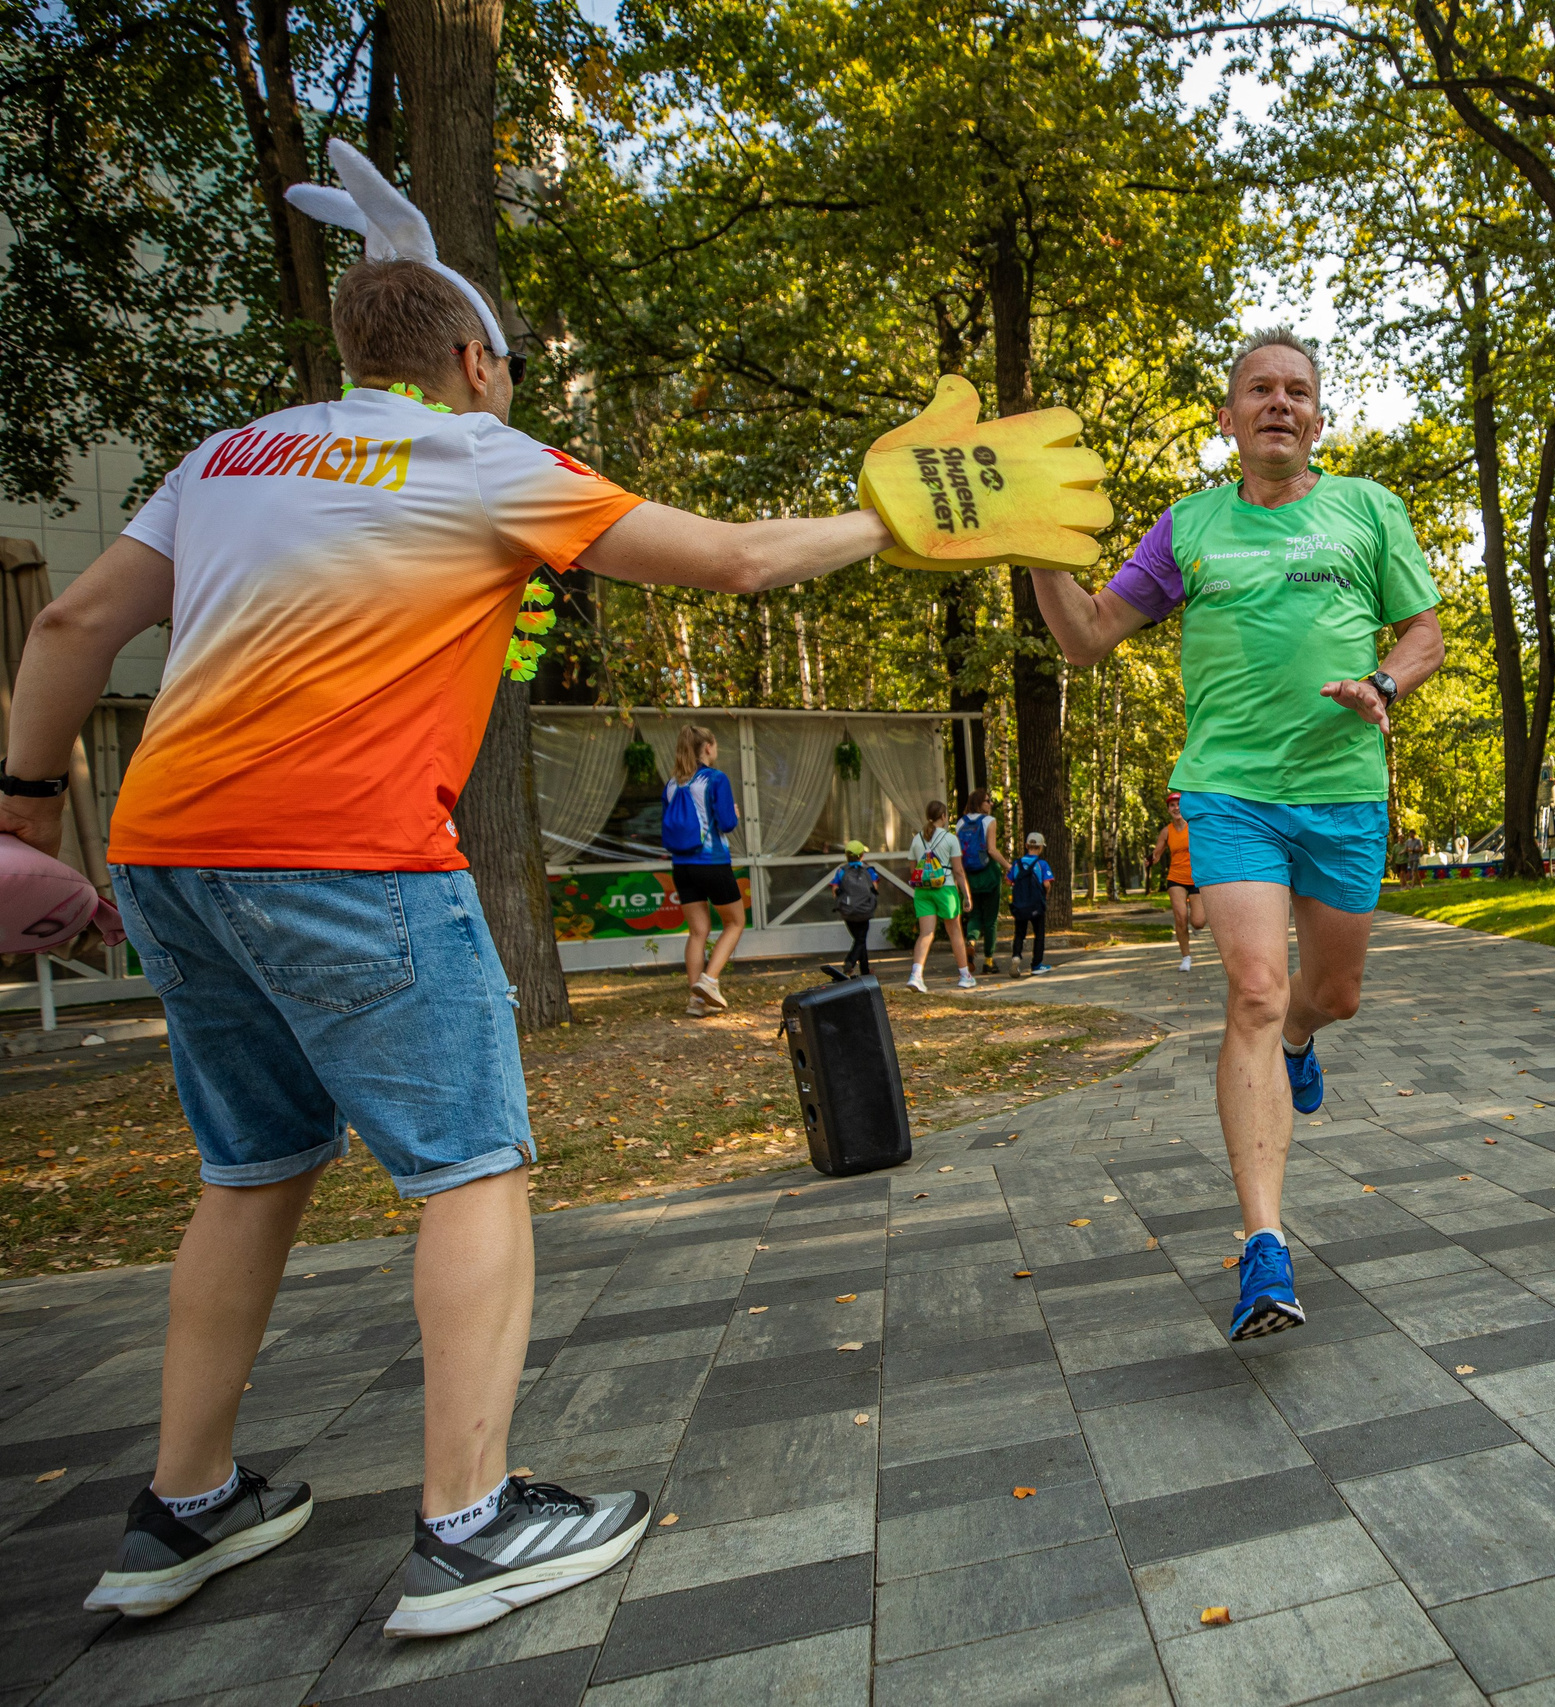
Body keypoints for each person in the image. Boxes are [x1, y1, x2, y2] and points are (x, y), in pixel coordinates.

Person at [2, 139, 915, 1637]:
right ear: (476, 361)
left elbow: (71, 631)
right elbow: (739, 562)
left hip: (167, 847)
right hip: (348, 848)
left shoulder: (227, 457)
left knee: (249, 1167)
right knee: (471, 1164)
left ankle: (184, 1501)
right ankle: (471, 1522)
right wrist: (904, 515)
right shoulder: (479, 456)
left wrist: (27, 818)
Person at [1028, 330, 1445, 1339]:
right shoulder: (1188, 527)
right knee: (1254, 989)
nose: (1279, 403)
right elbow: (1087, 638)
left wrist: (1383, 684)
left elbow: (1423, 632)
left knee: (1327, 995)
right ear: (1227, 417)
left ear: (1317, 417)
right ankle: (1263, 1247)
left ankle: (1305, 1036)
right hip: (1229, 794)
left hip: (1343, 792)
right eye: (1258, 388)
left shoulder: (1367, 510)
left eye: (1297, 391)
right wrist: (1037, 548)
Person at [663, 723, 743, 1016]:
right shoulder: (715, 779)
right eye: (715, 745)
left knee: (698, 932)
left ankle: (696, 1001)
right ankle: (709, 981)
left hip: (682, 866)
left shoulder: (672, 784)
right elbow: (727, 824)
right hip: (712, 863)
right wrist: (732, 814)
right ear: (708, 747)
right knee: (735, 923)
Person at [905, 800, 974, 993]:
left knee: (926, 933)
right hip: (946, 888)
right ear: (944, 816)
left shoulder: (917, 839)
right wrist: (966, 895)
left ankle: (916, 975)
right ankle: (964, 975)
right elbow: (958, 871)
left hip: (923, 891)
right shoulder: (950, 839)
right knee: (955, 932)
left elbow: (913, 870)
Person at [1151, 790, 1205, 971]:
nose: (1176, 808)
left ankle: (1195, 925)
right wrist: (1151, 860)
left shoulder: (1194, 826)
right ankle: (1186, 957)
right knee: (1180, 917)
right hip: (1176, 878)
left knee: (1198, 922)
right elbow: (1157, 853)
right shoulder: (1167, 831)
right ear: (1168, 810)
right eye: (1172, 805)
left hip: (1196, 877)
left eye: (1178, 804)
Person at [955, 788, 1004, 975]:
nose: (990, 804)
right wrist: (1008, 866)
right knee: (990, 920)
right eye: (987, 801)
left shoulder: (960, 823)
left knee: (974, 915)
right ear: (978, 803)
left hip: (969, 875)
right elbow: (991, 850)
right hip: (989, 873)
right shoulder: (989, 821)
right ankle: (989, 961)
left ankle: (971, 941)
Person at [1008, 832, 1056, 976]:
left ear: (1026, 846)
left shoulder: (1017, 863)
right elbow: (1047, 884)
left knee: (1019, 933)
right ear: (1040, 848)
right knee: (1039, 933)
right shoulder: (1042, 864)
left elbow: (1009, 881)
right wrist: (1046, 894)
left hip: (1020, 905)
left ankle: (1016, 956)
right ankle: (1036, 964)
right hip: (1036, 905)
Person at [829, 839, 879, 977]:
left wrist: (845, 902)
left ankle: (865, 970)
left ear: (846, 855)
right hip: (865, 911)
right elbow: (874, 887)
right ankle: (850, 962)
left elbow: (835, 889)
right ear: (862, 855)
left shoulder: (842, 871)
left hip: (848, 912)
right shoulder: (868, 870)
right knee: (860, 939)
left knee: (859, 939)